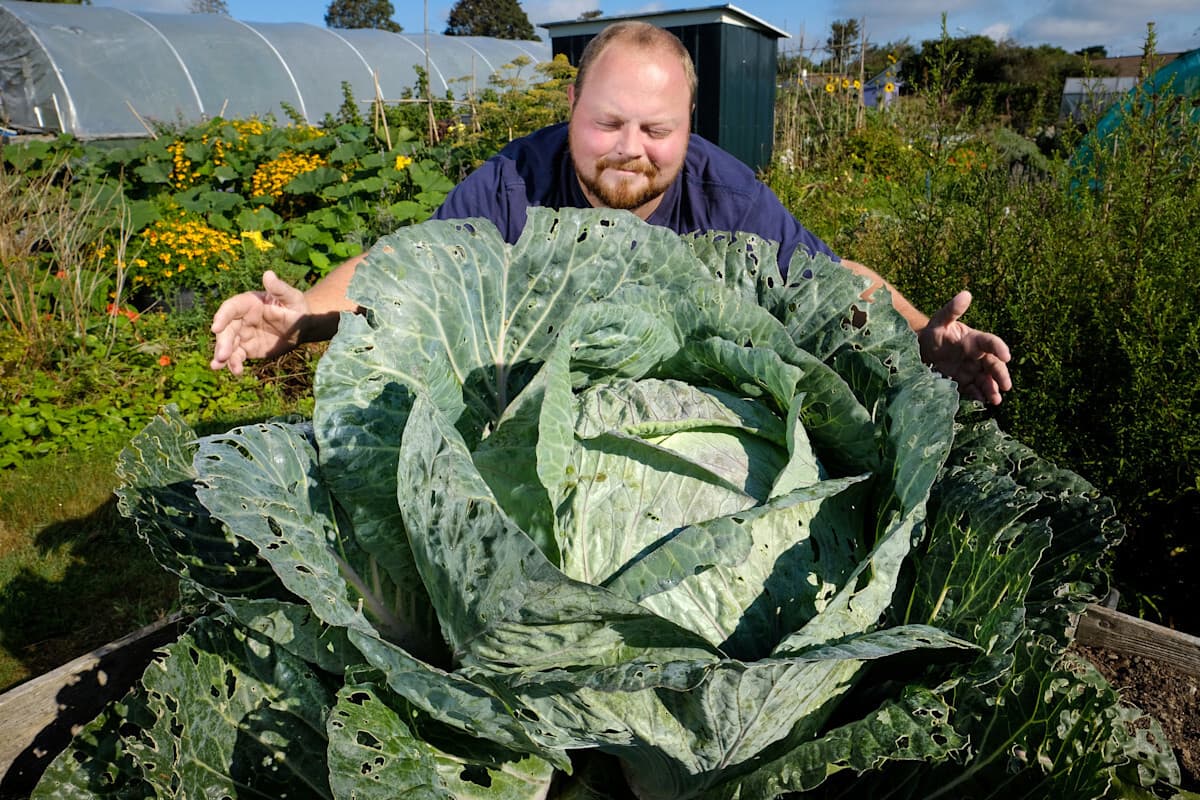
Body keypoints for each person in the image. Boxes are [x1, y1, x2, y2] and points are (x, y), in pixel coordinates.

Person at [211, 21, 1011, 405]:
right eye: (607, 122)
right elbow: (407, 270)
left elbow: (832, 281)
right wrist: (305, 316)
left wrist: (916, 336)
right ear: (571, 106)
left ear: (690, 126)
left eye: (658, 129)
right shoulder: (515, 184)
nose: (631, 148)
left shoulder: (724, 195)